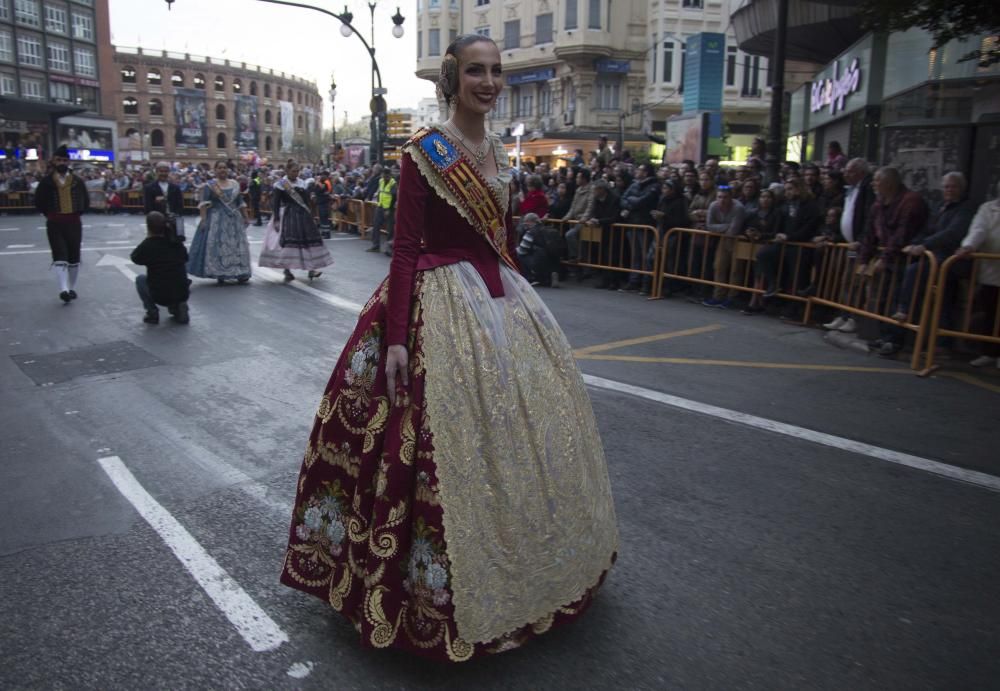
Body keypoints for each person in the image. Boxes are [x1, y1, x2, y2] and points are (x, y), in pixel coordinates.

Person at [280, 34, 618, 662]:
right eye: (475, 72)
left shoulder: (498, 153)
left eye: (495, 72)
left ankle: (527, 566)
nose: (488, 82)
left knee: (523, 439)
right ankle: (425, 598)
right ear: (452, 78)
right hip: (438, 308)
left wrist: (522, 305)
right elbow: (405, 246)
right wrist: (400, 338)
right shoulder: (424, 154)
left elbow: (502, 242)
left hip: (499, 303)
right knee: (434, 452)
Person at [857, 167, 929, 357]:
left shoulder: (911, 201)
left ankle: (895, 340)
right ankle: (884, 335)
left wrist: (885, 257)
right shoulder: (878, 205)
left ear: (889, 183)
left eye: (877, 181)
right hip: (888, 258)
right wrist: (864, 259)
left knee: (898, 299)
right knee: (882, 298)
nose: (873, 184)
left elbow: (902, 234)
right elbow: (869, 234)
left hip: (905, 259)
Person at [822, 158, 875, 334]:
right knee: (846, 281)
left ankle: (853, 317)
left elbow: (868, 217)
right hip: (849, 244)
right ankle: (843, 314)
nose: (845, 173)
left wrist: (861, 239)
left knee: (856, 283)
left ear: (860, 172)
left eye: (850, 171)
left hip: (860, 245)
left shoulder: (867, 188)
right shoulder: (851, 190)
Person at [259, 159, 334, 281]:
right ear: (287, 171)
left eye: (297, 171)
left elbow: (306, 201)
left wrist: (311, 212)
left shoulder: (302, 183)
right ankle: (287, 269)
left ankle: (312, 269)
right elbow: (276, 203)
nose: (296, 173)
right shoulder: (281, 184)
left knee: (308, 242)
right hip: (288, 215)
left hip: (303, 215)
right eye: (293, 171)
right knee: (288, 243)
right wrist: (276, 218)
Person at [33, 145, 89, 303]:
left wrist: (79, 211)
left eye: (65, 160)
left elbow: (85, 199)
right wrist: (49, 214)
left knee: (74, 256)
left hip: (73, 222)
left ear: (68, 161)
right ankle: (63, 288)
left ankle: (72, 288)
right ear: (54, 161)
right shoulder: (47, 182)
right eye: (59, 160)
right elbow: (39, 200)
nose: (62, 163)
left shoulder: (77, 181)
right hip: (55, 222)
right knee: (59, 255)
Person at [954, 181, 1000, 367]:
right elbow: (978, 229)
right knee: (990, 311)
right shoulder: (988, 209)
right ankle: (989, 352)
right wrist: (968, 246)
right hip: (992, 270)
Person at [186, 161, 253, 284]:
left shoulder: (235, 184)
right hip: (216, 219)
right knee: (218, 245)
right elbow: (204, 204)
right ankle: (220, 272)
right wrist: (204, 219)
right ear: (215, 170)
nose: (223, 170)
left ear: (228, 170)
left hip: (234, 219)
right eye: (220, 168)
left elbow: (240, 202)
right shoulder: (210, 185)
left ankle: (240, 272)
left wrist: (246, 217)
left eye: (225, 167)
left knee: (236, 246)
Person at [130, 211, 190, 325]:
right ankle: (178, 306)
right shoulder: (176, 244)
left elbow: (135, 258)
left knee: (140, 279)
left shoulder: (148, 245)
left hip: (159, 294)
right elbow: (186, 258)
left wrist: (149, 237)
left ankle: (152, 313)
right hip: (182, 292)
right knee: (177, 279)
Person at [702, 184, 746, 308]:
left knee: (736, 269)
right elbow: (709, 226)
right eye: (719, 197)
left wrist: (722, 227)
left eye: (725, 197)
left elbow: (734, 230)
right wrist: (727, 226)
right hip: (723, 239)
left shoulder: (738, 208)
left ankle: (732, 297)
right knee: (719, 266)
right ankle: (718, 295)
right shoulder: (713, 205)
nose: (722, 200)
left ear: (731, 197)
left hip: (739, 240)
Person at [144, 163, 186, 241]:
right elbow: (148, 206)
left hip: (173, 221)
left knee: (175, 244)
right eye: (161, 171)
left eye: (166, 171)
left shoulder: (175, 187)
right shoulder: (149, 187)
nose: (163, 173)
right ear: (156, 172)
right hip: (157, 221)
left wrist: (176, 216)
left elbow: (180, 205)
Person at [366, 167, 397, 254]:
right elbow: (380, 192)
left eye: (386, 176)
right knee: (376, 226)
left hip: (388, 209)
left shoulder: (393, 183)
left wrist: (389, 209)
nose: (384, 177)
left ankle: (389, 248)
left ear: (390, 175)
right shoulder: (381, 181)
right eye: (383, 175)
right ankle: (376, 246)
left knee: (390, 229)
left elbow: (394, 197)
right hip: (380, 206)